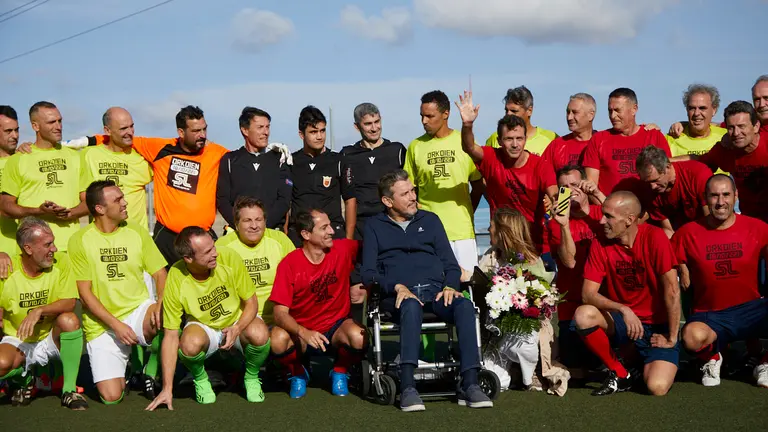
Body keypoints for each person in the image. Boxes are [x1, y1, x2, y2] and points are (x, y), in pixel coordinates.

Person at [361, 170, 492, 411]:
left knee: (463, 305)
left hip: (436, 293)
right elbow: (367, 273)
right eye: (405, 194)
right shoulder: (373, 226)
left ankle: (470, 383)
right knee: (410, 305)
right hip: (396, 297)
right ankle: (408, 386)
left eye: (413, 191)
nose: (413, 197)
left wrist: (451, 286)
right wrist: (396, 286)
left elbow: (450, 265)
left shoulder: (430, 220)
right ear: (388, 202)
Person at [56, 105, 229, 266]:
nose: (202, 135)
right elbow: (118, 137)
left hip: (202, 235)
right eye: (196, 130)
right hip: (167, 237)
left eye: (204, 129)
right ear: (181, 132)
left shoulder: (217, 152)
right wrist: (85, 141)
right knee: (168, 290)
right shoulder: (159, 148)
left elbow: (241, 163)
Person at [146, 226, 271, 409]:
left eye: (213, 247)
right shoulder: (176, 276)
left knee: (260, 334)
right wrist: (167, 389)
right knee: (188, 344)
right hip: (204, 326)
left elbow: (251, 302)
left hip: (236, 320)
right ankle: (200, 378)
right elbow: (171, 335)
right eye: (207, 252)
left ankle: (251, 376)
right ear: (188, 258)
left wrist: (237, 328)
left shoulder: (228, 256)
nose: (215, 254)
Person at [68, 180, 168, 404]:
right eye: (118, 200)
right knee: (112, 397)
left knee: (166, 316)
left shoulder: (137, 232)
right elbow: (85, 293)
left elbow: (160, 274)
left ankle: (150, 369)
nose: (125, 203)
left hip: (137, 311)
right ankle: (132, 361)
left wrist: (160, 302)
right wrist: (116, 325)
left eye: (123, 197)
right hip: (103, 324)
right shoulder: (80, 240)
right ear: (100, 209)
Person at [573, 191, 680, 396]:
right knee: (583, 315)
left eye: (609, 216)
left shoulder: (655, 237)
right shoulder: (600, 242)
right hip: (625, 322)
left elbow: (672, 290)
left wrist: (672, 337)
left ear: (630, 219)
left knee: (657, 387)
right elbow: (588, 294)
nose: (602, 220)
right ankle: (621, 373)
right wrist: (623, 309)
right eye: (603, 214)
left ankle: (641, 360)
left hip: (657, 327)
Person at [672, 174, 768, 388]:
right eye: (714, 196)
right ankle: (712, 357)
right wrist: (682, 266)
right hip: (710, 315)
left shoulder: (759, 228)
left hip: (751, 310)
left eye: (726, 195)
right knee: (690, 338)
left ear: (736, 196)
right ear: (705, 198)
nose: (720, 201)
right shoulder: (687, 232)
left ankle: (764, 361)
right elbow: (666, 261)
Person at [269, 209, 367, 399]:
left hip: (336, 327)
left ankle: (339, 371)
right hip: (303, 332)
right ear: (306, 234)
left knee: (359, 337)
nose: (332, 231)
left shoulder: (342, 249)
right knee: (277, 340)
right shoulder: (289, 264)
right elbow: (280, 314)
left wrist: (363, 284)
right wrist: (303, 332)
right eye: (324, 228)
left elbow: (375, 248)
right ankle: (298, 372)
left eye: (330, 225)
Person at [456, 90, 557, 260]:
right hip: (502, 245)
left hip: (536, 245)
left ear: (525, 139)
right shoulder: (491, 158)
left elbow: (554, 192)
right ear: (500, 141)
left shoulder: (540, 165)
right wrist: (467, 125)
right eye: (509, 139)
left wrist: (557, 202)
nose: (515, 144)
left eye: (519, 138)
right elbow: (469, 148)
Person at [0, 217, 88, 409]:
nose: (54, 249)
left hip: (49, 337)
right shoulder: (7, 269)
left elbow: (70, 302)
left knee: (70, 320)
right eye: (48, 244)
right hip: (18, 340)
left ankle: (69, 390)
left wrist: (39, 311)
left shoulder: (61, 261)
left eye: (53, 242)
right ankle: (24, 380)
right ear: (28, 249)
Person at [478, 207, 560, 392]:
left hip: (524, 326)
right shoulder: (491, 255)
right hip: (495, 326)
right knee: (494, 378)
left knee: (524, 341)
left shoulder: (531, 262)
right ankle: (512, 369)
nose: (489, 230)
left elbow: (538, 302)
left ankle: (530, 371)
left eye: (492, 226)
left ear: (503, 232)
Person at [404, 90, 484, 272]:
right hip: (427, 232)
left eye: (430, 116)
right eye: (422, 116)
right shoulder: (415, 146)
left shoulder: (463, 142)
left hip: (461, 232)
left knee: (467, 287)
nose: (424, 121)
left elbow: (479, 185)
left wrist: (466, 209)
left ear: (446, 114)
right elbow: (409, 189)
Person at [0, 102, 88, 252]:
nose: (58, 126)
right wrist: (38, 212)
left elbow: (89, 201)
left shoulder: (76, 157)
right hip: (30, 253)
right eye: (51, 122)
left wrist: (68, 214)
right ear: (35, 126)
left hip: (71, 249)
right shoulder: (18, 160)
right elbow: (5, 207)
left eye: (59, 121)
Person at [548, 165, 604, 376]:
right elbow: (569, 262)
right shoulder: (556, 223)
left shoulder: (603, 214)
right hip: (571, 304)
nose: (570, 191)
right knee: (576, 370)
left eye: (574, 185)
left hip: (602, 301)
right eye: (564, 188)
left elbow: (626, 223)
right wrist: (564, 225)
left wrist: (597, 194)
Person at [673, 101, 768, 223]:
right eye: (731, 128)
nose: (736, 133)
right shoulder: (725, 150)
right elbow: (697, 162)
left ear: (756, 127)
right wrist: (666, 162)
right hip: (750, 222)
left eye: (741, 126)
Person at [215, 197, 295, 325]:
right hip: (242, 318)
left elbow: (298, 277)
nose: (254, 226)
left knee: (281, 338)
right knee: (257, 332)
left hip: (280, 314)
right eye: (247, 220)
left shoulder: (280, 240)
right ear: (236, 224)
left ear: (265, 221)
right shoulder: (222, 246)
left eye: (259, 220)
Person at [583, 88, 671, 196]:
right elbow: (591, 186)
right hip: (609, 208)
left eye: (617, 110)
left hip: (649, 209)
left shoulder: (654, 136)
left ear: (634, 109)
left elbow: (668, 175)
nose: (612, 116)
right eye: (610, 111)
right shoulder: (598, 139)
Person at [216, 107, 292, 231]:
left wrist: (262, 226)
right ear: (245, 130)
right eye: (260, 127)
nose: (266, 132)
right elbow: (222, 200)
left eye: (267, 127)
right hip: (238, 232)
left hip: (272, 232)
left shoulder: (280, 159)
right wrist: (241, 225)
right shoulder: (230, 160)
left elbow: (284, 200)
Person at [80, 107, 154, 230]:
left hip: (136, 238)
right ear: (107, 130)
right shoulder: (89, 155)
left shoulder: (142, 157)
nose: (130, 132)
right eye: (123, 128)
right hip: (103, 236)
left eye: (131, 126)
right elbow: (85, 197)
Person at [288, 106, 350, 246]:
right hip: (300, 235)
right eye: (313, 132)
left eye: (322, 131)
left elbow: (350, 200)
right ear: (301, 134)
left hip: (332, 233)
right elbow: (286, 203)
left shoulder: (338, 160)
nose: (319, 136)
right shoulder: (291, 161)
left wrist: (349, 239)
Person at [636, 145, 712, 238]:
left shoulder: (697, 174)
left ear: (668, 167)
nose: (652, 187)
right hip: (680, 234)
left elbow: (710, 219)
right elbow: (668, 229)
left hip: (706, 230)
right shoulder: (649, 190)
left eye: (656, 180)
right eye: (648, 182)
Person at [665, 84, 727, 174]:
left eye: (702, 108)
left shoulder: (726, 136)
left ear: (714, 110)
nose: (697, 113)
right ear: (687, 110)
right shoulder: (671, 139)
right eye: (692, 108)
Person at [485, 86, 557, 156]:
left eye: (514, 111)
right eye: (506, 110)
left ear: (529, 111)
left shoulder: (551, 138)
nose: (508, 114)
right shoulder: (495, 137)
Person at [541, 93, 597, 173]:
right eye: (568, 112)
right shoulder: (556, 146)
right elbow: (542, 176)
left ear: (590, 115)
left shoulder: (602, 144)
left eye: (575, 112)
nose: (569, 117)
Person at [0, 105, 20, 254]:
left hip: (29, 251)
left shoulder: (26, 160)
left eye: (16, 130)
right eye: (8, 131)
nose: (15, 136)